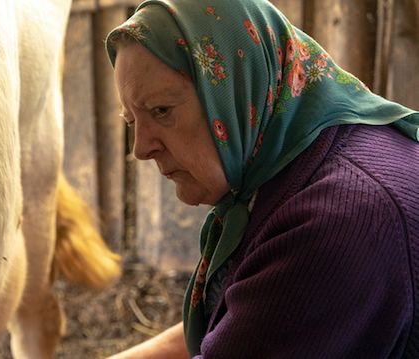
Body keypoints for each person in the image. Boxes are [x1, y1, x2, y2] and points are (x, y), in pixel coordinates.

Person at [104, 0, 419, 358]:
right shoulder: (297, 163)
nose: (141, 149)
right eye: (131, 121)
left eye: (161, 111)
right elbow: (254, 319)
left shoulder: (338, 220)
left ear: (236, 86)